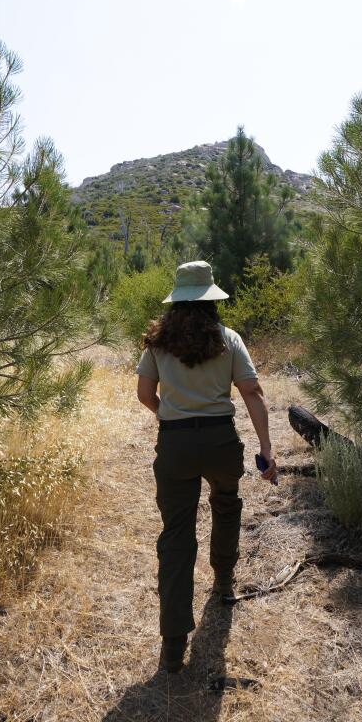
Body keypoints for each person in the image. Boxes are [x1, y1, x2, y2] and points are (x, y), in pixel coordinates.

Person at [135, 260, 277, 674]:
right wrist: (268, 451)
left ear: (176, 302)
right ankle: (225, 578)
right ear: (212, 299)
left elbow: (144, 393)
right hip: (220, 441)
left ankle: (174, 644)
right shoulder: (229, 340)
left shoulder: (158, 344)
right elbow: (251, 393)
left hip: (176, 444)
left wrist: (169, 415)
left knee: (176, 536)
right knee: (227, 503)